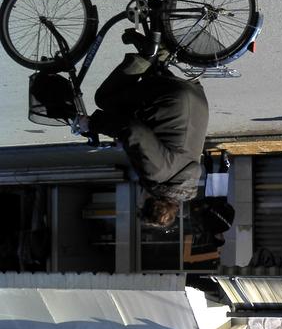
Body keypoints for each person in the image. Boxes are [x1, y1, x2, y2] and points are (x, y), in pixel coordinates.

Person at [75, 29, 209, 228]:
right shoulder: (157, 174)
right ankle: (147, 54)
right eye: (138, 202)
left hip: (195, 99)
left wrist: (124, 143)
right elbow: (133, 131)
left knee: (135, 108)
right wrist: (92, 124)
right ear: (147, 201)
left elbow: (161, 138)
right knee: (105, 99)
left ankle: (158, 51)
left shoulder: (182, 181)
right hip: (172, 97)